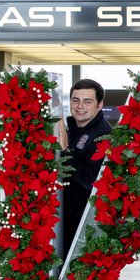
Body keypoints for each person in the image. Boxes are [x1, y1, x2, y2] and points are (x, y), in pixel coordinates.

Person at [55, 78, 113, 252]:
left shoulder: (105, 136)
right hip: (64, 219)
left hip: (84, 226)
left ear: (99, 105)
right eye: (76, 100)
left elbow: (90, 180)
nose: (80, 106)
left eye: (87, 101)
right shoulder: (71, 129)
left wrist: (65, 151)